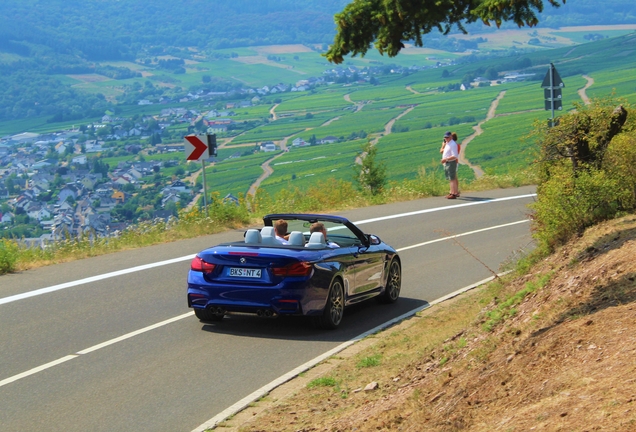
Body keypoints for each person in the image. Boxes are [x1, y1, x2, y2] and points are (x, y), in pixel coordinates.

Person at [441, 131, 459, 199]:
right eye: (445, 137)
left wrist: (446, 159)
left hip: (451, 163)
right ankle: (452, 192)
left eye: (447, 137)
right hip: (448, 163)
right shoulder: (448, 143)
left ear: (451, 137)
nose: (446, 138)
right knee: (450, 179)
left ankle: (453, 193)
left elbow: (454, 155)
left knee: (452, 179)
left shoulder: (453, 144)